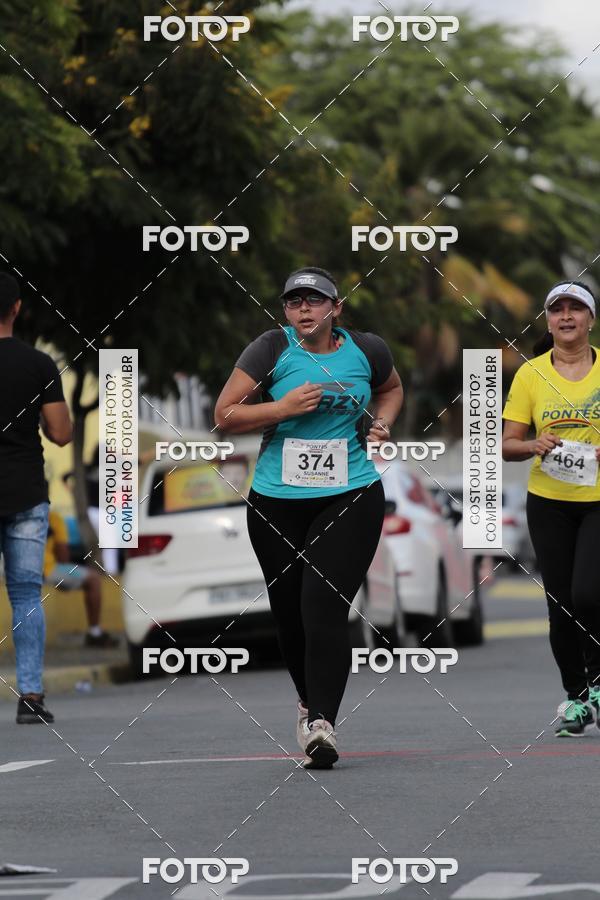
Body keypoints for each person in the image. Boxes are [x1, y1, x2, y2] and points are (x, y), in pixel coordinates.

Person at [214, 266, 403, 768]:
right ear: (285, 311)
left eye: (314, 302)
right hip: (276, 499)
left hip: (352, 492)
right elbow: (225, 415)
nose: (304, 309)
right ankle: (306, 700)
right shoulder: (270, 349)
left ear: (335, 309)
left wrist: (381, 424)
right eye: (294, 301)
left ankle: (322, 722)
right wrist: (282, 408)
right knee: (289, 612)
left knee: (322, 604)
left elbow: (391, 389)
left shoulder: (368, 350)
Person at [502, 280, 600, 737]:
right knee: (560, 605)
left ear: (589, 320)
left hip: (598, 501)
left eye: (575, 309)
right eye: (557, 309)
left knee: (589, 594)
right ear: (548, 320)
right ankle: (576, 698)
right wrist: (533, 444)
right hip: (549, 503)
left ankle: (598, 681)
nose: (566, 317)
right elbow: (507, 445)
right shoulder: (530, 374)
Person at [0, 273, 73, 724]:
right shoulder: (40, 364)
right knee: (26, 593)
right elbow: (62, 434)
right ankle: (30, 698)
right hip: (25, 492)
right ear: (17, 308)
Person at [44, 509, 118, 648]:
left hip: (20, 571)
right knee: (93, 579)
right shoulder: (52, 518)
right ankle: (95, 632)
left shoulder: (17, 513)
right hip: (47, 570)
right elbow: (63, 557)